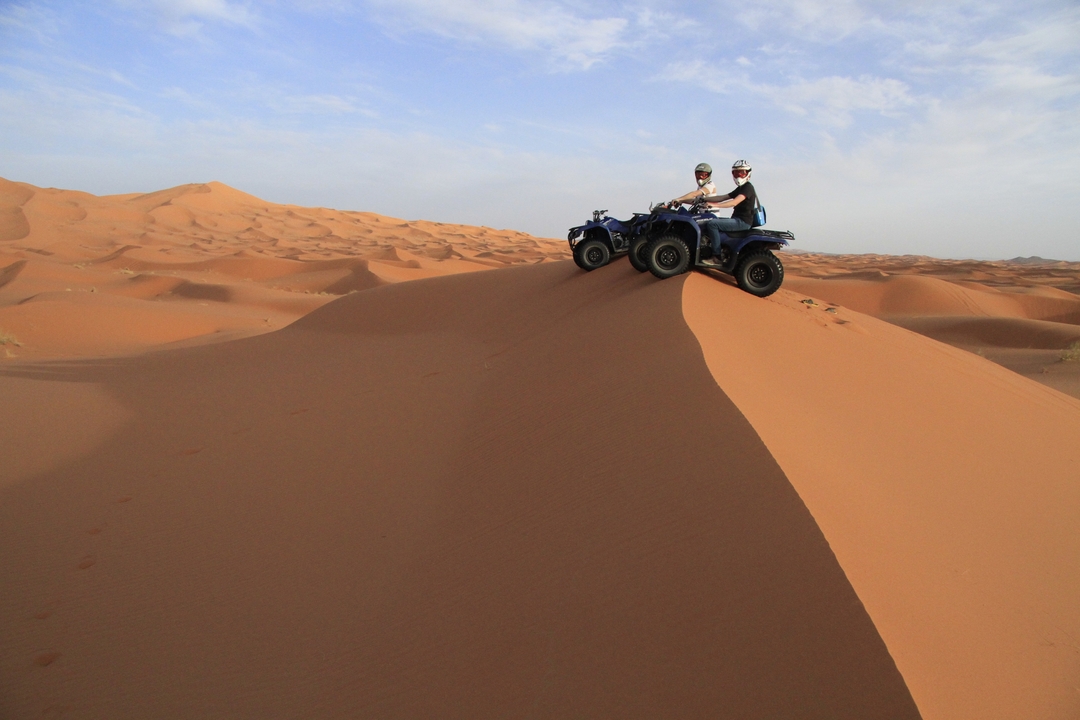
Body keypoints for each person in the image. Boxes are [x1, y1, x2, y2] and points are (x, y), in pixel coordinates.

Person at [698, 160, 757, 265]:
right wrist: (704, 199)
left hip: (742, 222)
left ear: (748, 173)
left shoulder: (748, 187)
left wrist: (715, 205)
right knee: (711, 219)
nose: (739, 175)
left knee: (713, 224)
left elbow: (734, 202)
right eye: (736, 173)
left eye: (742, 172)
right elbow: (723, 197)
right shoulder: (740, 188)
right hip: (737, 220)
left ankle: (716, 257)